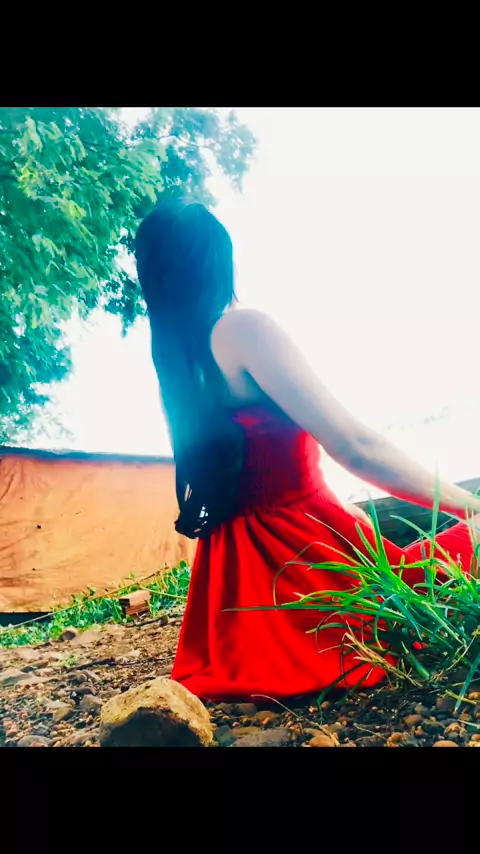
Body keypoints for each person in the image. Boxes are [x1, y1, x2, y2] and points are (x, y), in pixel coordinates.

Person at [135, 196, 480, 702]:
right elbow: (356, 446)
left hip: (234, 591)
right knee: (469, 541)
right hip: (301, 565)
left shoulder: (177, 369)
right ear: (220, 262)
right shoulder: (240, 329)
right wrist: (469, 505)